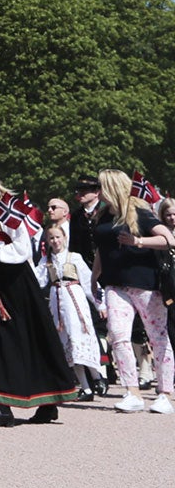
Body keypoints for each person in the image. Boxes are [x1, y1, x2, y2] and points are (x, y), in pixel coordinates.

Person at [0, 160, 74, 425]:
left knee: (27, 337)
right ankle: (2, 405)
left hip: (12, 281)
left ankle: (48, 401)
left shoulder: (6, 205)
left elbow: (21, 247)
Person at [87, 168, 175, 414]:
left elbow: (169, 239)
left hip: (146, 285)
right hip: (115, 285)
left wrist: (138, 242)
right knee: (118, 335)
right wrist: (95, 275)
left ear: (113, 187)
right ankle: (132, 392)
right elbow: (101, 249)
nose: (98, 192)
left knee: (157, 338)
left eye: (101, 187)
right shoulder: (103, 216)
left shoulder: (139, 212)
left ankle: (165, 393)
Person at [37, 222, 102, 396]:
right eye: (51, 238)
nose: (55, 241)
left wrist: (99, 304)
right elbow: (39, 281)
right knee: (67, 340)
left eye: (58, 237)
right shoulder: (46, 261)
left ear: (64, 238)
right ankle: (85, 386)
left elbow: (88, 282)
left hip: (75, 299)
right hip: (57, 301)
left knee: (81, 334)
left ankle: (97, 376)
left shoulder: (74, 257)